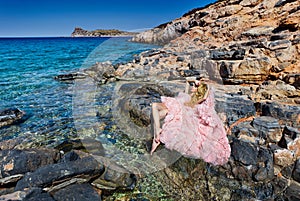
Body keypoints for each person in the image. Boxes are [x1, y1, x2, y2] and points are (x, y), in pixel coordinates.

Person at [150, 78, 231, 166]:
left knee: (157, 109)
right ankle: (156, 133)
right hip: (181, 108)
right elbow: (187, 82)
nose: (192, 87)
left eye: (195, 87)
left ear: (198, 90)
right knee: (158, 110)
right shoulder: (189, 96)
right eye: (193, 86)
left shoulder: (199, 100)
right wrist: (195, 81)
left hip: (185, 113)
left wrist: (202, 84)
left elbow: (205, 95)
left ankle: (156, 136)